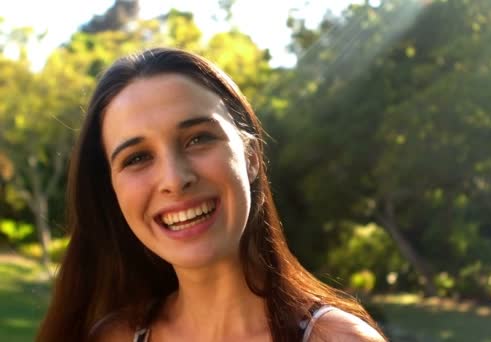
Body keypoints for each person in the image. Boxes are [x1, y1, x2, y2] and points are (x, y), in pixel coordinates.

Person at [36, 47, 386, 342]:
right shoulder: (112, 338)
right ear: (111, 191)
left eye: (198, 138)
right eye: (138, 158)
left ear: (250, 158)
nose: (175, 179)